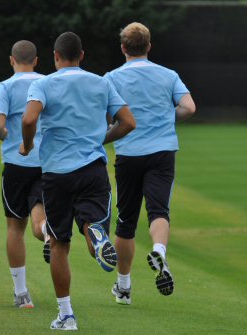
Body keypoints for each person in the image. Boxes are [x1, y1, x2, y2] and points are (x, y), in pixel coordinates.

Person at [20, 32, 136, 330]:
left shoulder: (42, 83)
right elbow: (129, 122)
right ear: (81, 55)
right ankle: (95, 234)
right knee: (92, 225)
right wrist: (102, 138)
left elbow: (29, 119)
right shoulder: (102, 82)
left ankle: (67, 314)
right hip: (92, 168)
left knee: (58, 243)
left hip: (56, 173)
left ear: (55, 56)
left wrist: (27, 145)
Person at [105, 22, 196, 304]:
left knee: (125, 221)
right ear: (149, 46)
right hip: (162, 152)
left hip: (129, 153)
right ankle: (159, 249)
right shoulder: (168, 75)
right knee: (159, 210)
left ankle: (123, 287)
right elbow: (189, 107)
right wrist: (166, 118)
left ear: (123, 48)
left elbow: (107, 118)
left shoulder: (111, 78)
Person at [0, 40, 47, 308]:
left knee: (15, 227)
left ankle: (22, 294)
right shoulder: (48, 83)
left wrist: (7, 136)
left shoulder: (5, 86)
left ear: (12, 60)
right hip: (46, 163)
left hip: (16, 163)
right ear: (36, 60)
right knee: (39, 211)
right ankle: (47, 232)